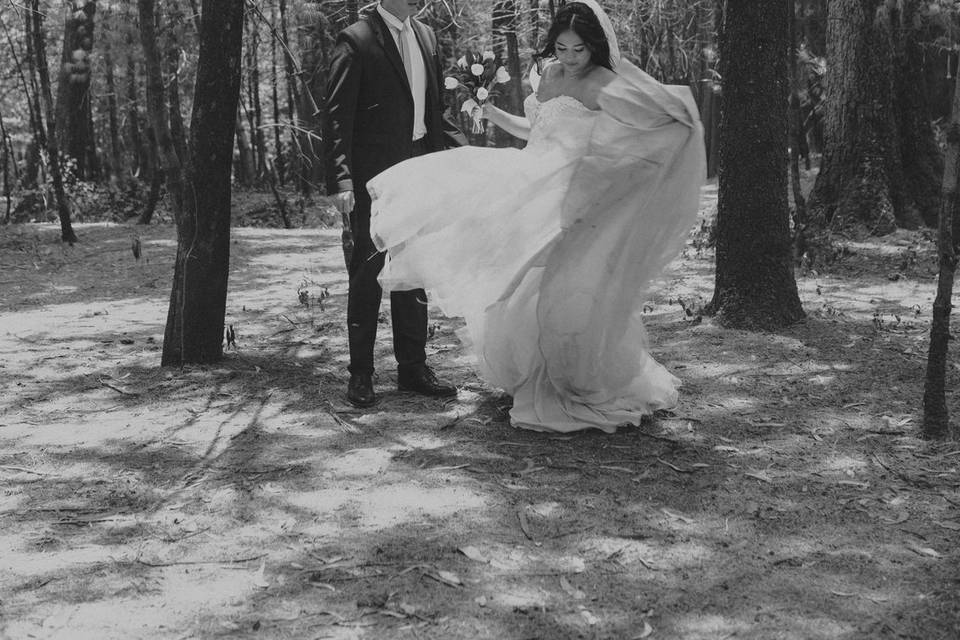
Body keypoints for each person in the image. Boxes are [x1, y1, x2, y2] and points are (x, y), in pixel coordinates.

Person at [367, 0, 706, 433]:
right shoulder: (550, 74)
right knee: (516, 281)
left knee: (564, 288)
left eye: (578, 50)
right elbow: (538, 130)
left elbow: (642, 128)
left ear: (596, 47)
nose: (568, 57)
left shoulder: (605, 82)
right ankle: (532, 373)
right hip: (530, 178)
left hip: (569, 192)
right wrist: (492, 114)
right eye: (561, 48)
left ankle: (571, 378)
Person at [325, 0, 466, 408]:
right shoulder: (356, 39)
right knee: (368, 271)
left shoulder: (426, 35)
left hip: (421, 165)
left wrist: (465, 156)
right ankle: (362, 374)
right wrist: (341, 178)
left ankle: (413, 368)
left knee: (414, 268)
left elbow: (436, 108)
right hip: (374, 176)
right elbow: (336, 115)